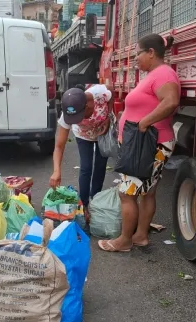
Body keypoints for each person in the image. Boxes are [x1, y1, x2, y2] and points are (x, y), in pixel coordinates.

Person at [98, 34, 180, 252]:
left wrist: (144, 123)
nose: (135, 59)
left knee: (127, 193)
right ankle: (140, 236)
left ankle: (124, 240)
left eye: (138, 54)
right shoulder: (155, 74)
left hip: (150, 144)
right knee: (147, 192)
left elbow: (171, 101)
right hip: (148, 143)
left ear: (151, 53)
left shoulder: (164, 73)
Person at [49, 84, 114, 220]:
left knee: (100, 166)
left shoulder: (99, 94)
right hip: (83, 136)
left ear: (87, 106)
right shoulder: (67, 115)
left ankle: (95, 200)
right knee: (86, 167)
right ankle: (84, 205)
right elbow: (59, 146)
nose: (75, 121)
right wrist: (56, 171)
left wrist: (108, 116)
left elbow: (111, 94)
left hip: (102, 133)